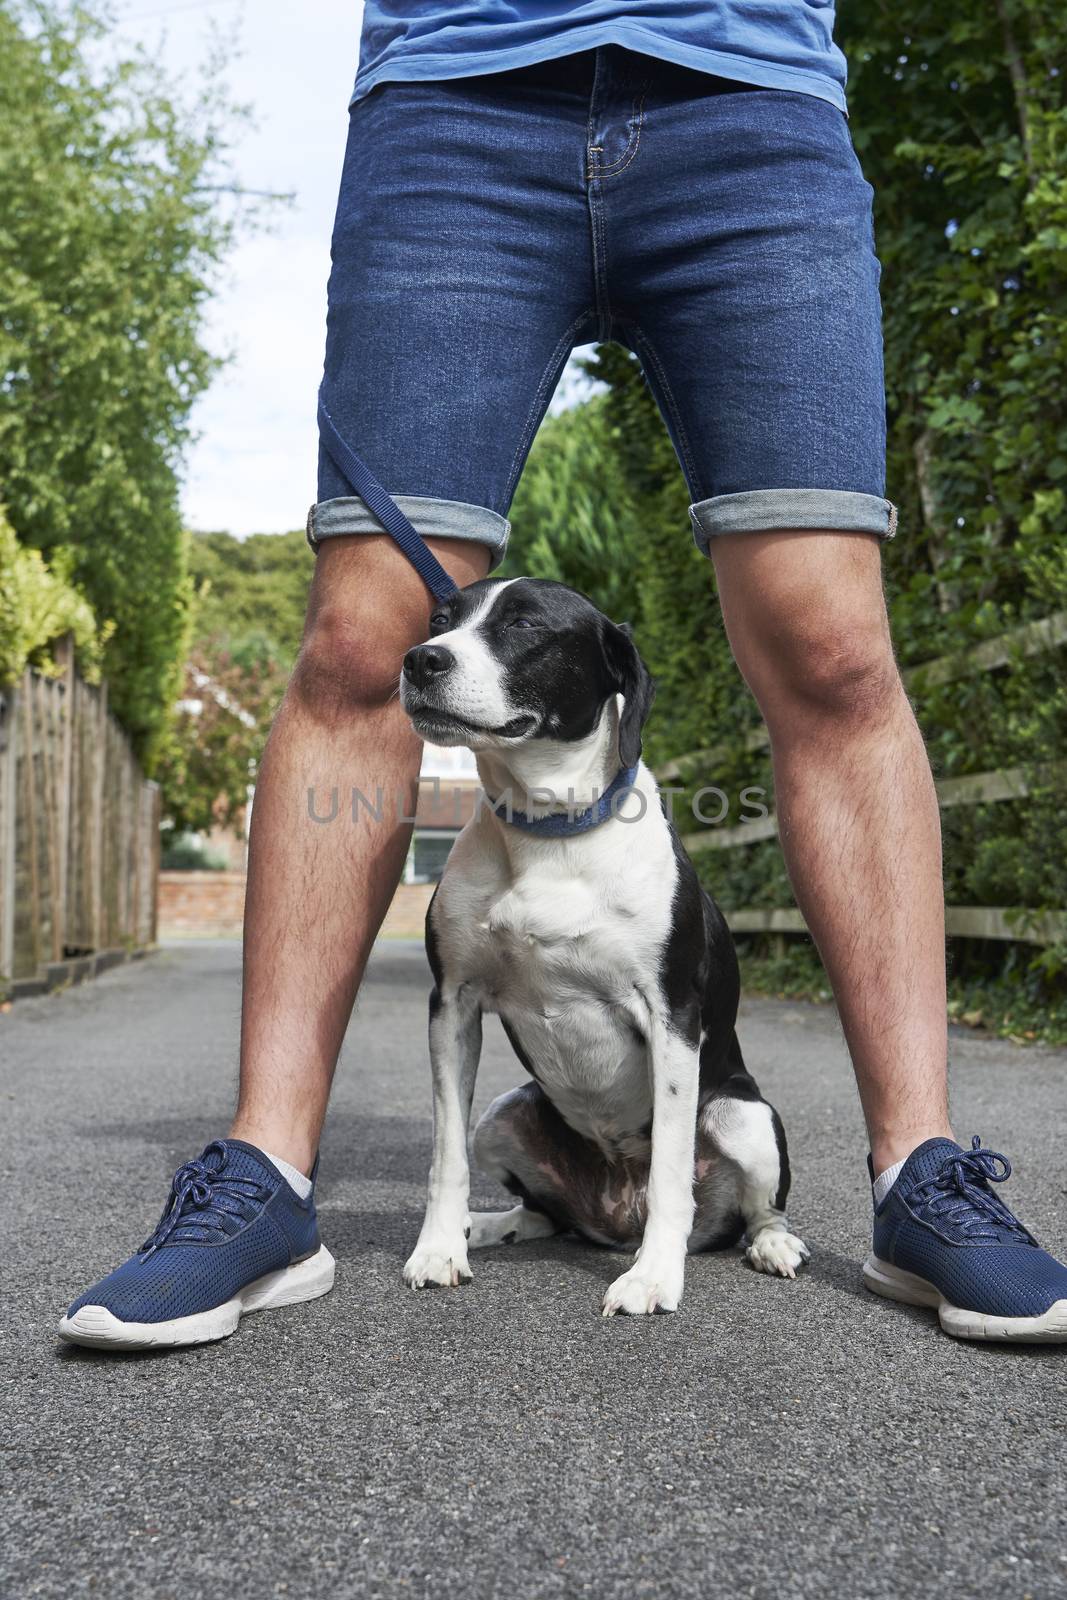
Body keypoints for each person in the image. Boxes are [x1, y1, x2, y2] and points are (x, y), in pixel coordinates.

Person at [60, 2, 1067, 1349]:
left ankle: (919, 1170)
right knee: (365, 640)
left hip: (753, 94)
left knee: (833, 648)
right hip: (455, 94)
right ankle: (266, 1174)